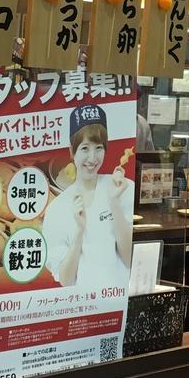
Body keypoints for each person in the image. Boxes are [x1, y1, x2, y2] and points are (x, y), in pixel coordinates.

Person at [44, 104, 134, 288]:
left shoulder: (124, 188)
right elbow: (66, 280)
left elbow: (129, 260)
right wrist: (79, 231)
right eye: (85, 148)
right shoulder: (57, 208)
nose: (92, 158)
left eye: (98, 148)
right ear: (72, 151)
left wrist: (114, 203)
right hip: (82, 303)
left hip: (119, 298)